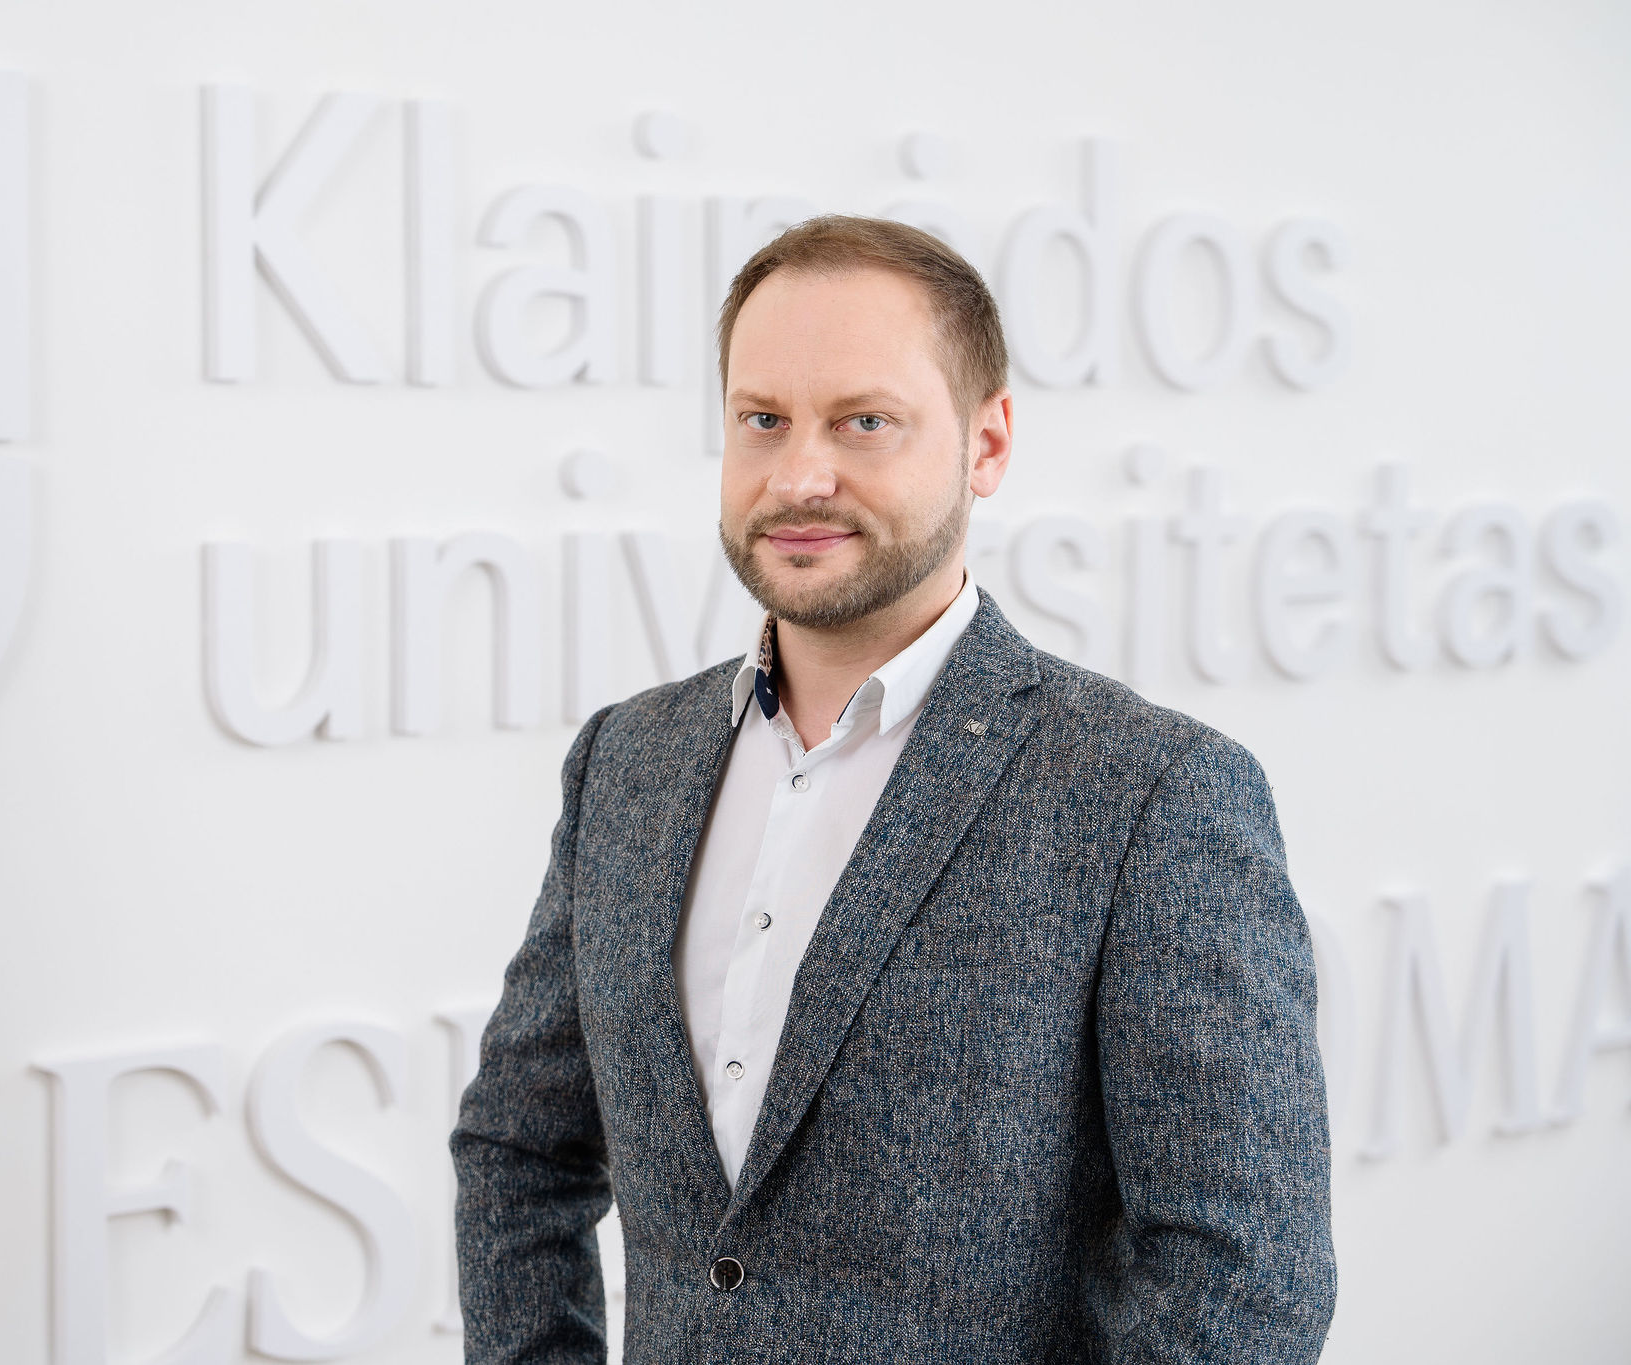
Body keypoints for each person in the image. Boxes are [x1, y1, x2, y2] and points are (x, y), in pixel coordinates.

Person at [451, 215, 1335, 1363]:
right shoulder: (627, 761)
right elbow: (520, 1151)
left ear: (985, 444)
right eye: (761, 420)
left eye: (863, 422)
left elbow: (1241, 1283)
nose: (798, 475)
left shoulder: (1151, 796)